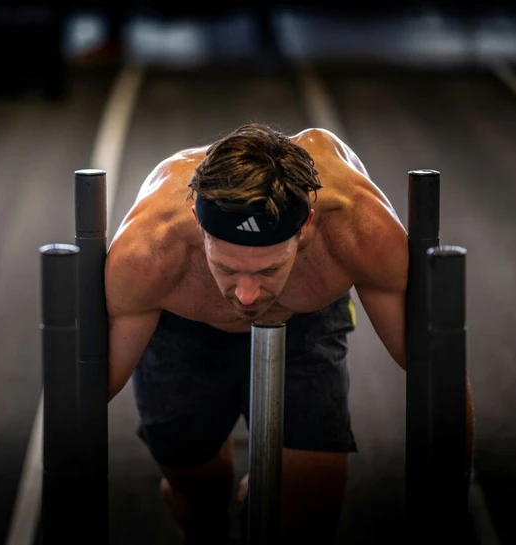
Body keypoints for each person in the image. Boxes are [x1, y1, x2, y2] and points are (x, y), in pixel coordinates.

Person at [104, 123, 473, 543]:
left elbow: (435, 373)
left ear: (306, 227)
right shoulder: (148, 254)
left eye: (269, 269)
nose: (246, 295)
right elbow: (91, 390)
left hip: (303, 322)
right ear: (197, 223)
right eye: (226, 268)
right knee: (203, 502)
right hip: (181, 333)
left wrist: (452, 499)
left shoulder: (359, 229)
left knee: (309, 518)